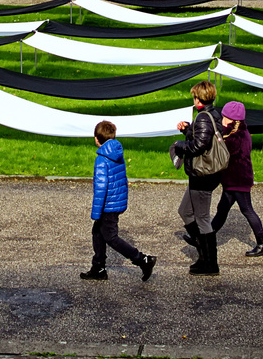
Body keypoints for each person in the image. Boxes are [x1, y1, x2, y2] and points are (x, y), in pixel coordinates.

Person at [81, 121, 156, 281]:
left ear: (96, 139)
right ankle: (98, 267)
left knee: (111, 237)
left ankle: (142, 259)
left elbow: (101, 188)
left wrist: (96, 212)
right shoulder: (116, 153)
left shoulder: (101, 159)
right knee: (97, 232)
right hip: (116, 202)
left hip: (107, 205)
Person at [171, 80, 225, 276]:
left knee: (201, 217)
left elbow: (198, 146)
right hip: (203, 174)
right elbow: (203, 138)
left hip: (202, 174)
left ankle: (209, 262)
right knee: (185, 211)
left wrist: (179, 145)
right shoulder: (213, 113)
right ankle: (202, 251)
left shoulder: (203, 117)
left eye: (194, 97)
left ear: (199, 99)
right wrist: (187, 130)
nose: (193, 100)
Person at [212, 101, 263, 257]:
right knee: (222, 210)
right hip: (233, 180)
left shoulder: (236, 136)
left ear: (230, 120)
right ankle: (205, 237)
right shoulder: (239, 132)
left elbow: (222, 148)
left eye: (223, 118)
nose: (221, 120)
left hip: (238, 180)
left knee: (247, 210)